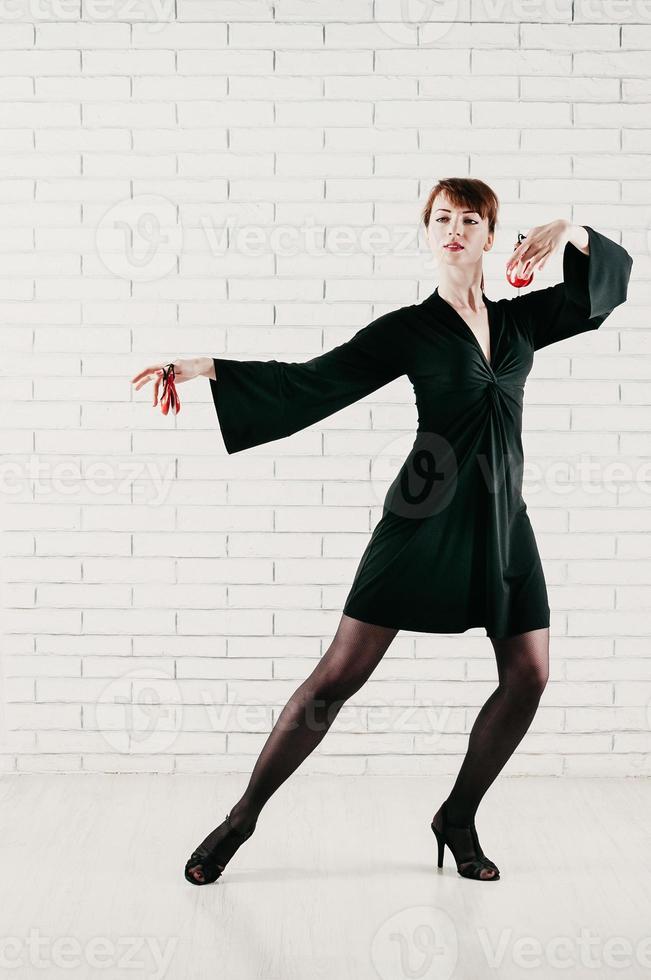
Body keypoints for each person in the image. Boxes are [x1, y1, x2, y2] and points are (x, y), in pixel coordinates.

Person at [131, 177, 633, 884]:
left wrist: (569, 230)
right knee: (337, 677)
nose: (453, 229)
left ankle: (456, 817)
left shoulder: (521, 323)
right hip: (420, 516)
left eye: (468, 219)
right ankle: (240, 818)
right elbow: (312, 382)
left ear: (491, 236)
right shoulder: (409, 329)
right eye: (440, 219)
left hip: (501, 520)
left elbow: (598, 296)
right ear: (426, 234)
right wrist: (205, 367)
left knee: (529, 675)